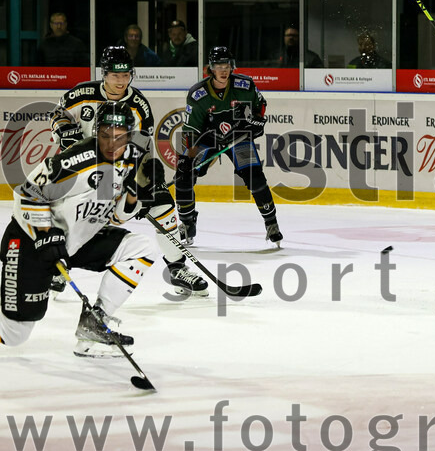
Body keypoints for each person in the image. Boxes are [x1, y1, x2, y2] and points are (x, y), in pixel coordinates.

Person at [49, 46, 209, 297]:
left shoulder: (138, 104)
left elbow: (140, 148)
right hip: (82, 168)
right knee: (75, 215)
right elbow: (59, 114)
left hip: (120, 167)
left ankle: (177, 269)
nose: (122, 81)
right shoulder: (82, 93)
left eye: (126, 75)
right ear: (104, 74)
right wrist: (65, 130)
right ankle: (57, 267)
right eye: (115, 75)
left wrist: (142, 183)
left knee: (163, 203)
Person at [2, 101, 157, 357]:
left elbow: (109, 216)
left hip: (72, 243)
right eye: (105, 136)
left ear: (130, 136)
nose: (111, 144)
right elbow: (28, 195)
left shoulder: (125, 161)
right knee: (14, 336)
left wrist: (134, 194)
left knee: (140, 247)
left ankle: (94, 323)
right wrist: (45, 236)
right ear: (96, 132)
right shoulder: (76, 161)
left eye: (119, 137)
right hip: (30, 242)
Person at [174, 46, 282, 246]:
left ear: (231, 67)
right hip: (208, 139)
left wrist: (257, 123)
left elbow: (260, 107)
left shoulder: (245, 85)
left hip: (238, 137)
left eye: (226, 66)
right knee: (183, 175)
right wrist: (188, 158)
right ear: (211, 68)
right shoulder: (198, 94)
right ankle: (188, 223)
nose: (223, 70)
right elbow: (191, 130)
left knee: (254, 177)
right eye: (218, 66)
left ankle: (271, 223)